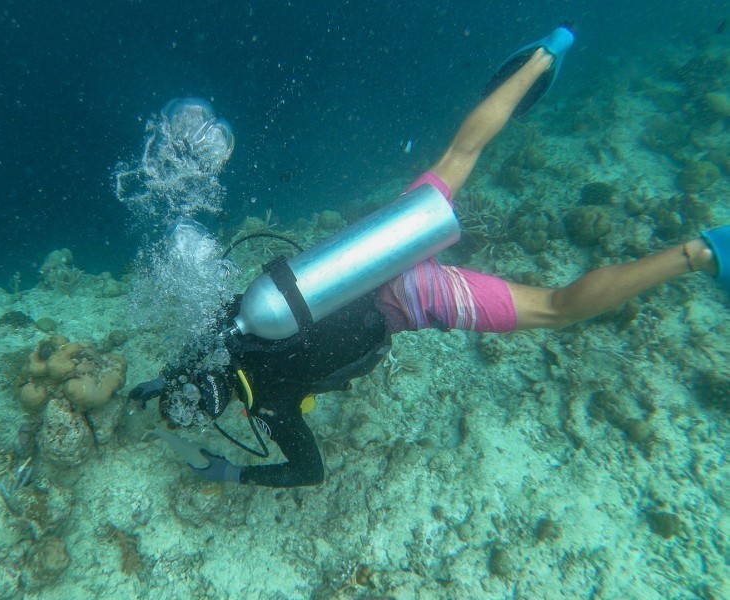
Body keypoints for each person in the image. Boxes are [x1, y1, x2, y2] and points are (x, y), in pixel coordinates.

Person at [130, 25, 729, 488]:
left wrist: (232, 473)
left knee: (555, 309)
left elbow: (308, 472)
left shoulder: (273, 409)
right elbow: (194, 356)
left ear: (220, 409)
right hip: (368, 252)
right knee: (457, 157)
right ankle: (547, 54)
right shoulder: (221, 326)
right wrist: (159, 381)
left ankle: (698, 252)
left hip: (413, 298)